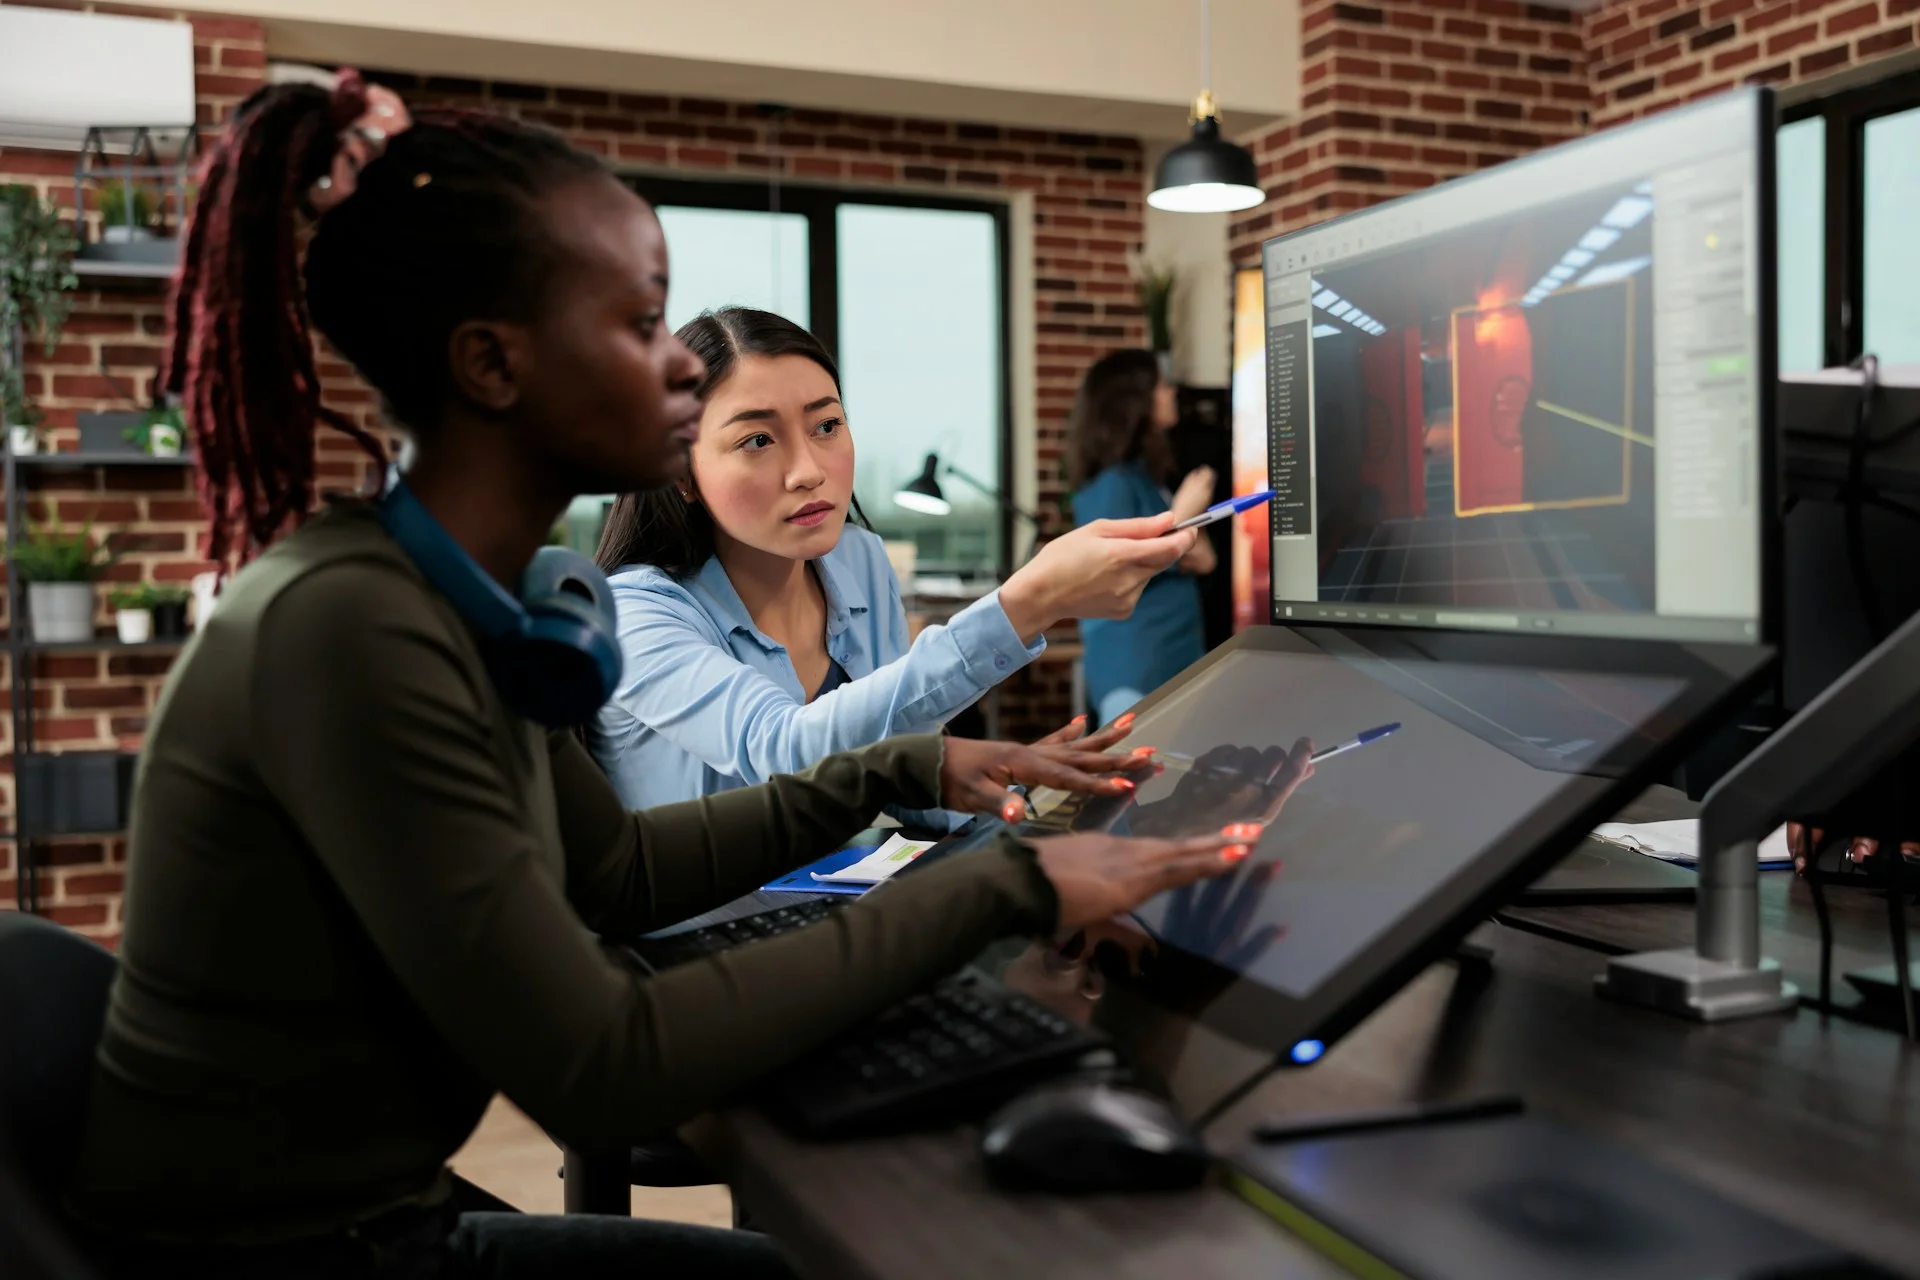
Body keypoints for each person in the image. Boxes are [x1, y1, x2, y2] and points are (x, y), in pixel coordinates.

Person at [60, 73, 1260, 1278]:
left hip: (366, 1205)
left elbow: (619, 871)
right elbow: (603, 1060)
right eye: (639, 326)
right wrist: (1004, 885)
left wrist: (913, 764)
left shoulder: (468, 601)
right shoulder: (353, 632)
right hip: (267, 1252)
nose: (683, 374)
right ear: (492, 365)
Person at [588, 306, 1198, 813]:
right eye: (757, 440)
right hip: (691, 945)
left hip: (838, 916)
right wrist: (1027, 603)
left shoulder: (856, 562)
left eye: (827, 426)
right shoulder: (635, 615)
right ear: (682, 474)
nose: (808, 471)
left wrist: (1032, 810)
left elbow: (905, 787)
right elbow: (782, 750)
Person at [1068, 349, 1220, 726]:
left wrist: (1180, 522)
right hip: (1135, 666)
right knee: (1136, 775)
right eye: (1163, 386)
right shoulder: (1112, 486)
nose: (1171, 393)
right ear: (1136, 400)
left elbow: (1204, 559)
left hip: (1168, 659)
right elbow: (1118, 572)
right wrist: (1185, 514)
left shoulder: (1145, 480)